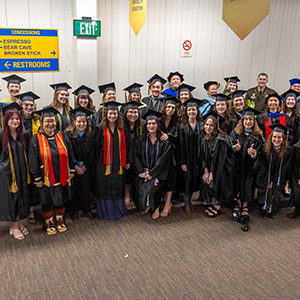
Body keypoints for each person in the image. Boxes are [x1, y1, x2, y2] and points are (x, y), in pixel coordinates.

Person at [29, 106, 75, 235]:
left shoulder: (62, 136)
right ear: (42, 122)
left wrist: (71, 170)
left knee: (60, 198)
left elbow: (70, 153)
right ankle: (48, 222)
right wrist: (37, 178)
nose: (50, 124)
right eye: (47, 121)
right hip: (45, 177)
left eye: (52, 121)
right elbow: (32, 160)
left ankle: (60, 220)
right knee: (47, 199)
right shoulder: (36, 139)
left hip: (62, 174)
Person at [93, 102, 132, 221]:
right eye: (110, 113)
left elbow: (129, 146)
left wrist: (129, 160)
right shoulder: (99, 128)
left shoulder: (123, 128)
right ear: (106, 114)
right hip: (103, 164)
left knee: (118, 185)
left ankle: (118, 209)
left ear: (118, 114)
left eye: (115, 113)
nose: (112, 116)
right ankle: (106, 211)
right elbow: (95, 147)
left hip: (119, 164)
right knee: (104, 186)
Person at [230, 107, 264, 231]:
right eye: (246, 119)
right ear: (242, 120)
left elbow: (260, 153)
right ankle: (238, 201)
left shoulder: (258, 136)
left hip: (250, 167)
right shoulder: (235, 133)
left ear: (254, 121)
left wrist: (254, 152)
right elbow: (229, 148)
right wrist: (235, 148)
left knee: (248, 183)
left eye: (251, 119)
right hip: (238, 165)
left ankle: (245, 204)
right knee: (237, 182)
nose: (248, 121)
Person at [0, 103, 30, 240]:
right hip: (7, 175)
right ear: (6, 120)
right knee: (12, 198)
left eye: (17, 118)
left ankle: (18, 223)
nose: (15, 121)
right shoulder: (1, 137)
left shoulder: (23, 135)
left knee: (21, 197)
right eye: (11, 118)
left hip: (22, 172)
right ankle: (14, 226)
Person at [134, 109, 171, 219]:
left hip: (158, 172)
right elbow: (136, 157)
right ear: (146, 125)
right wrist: (141, 171)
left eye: (154, 123)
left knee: (154, 188)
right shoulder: (140, 140)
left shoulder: (164, 141)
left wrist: (153, 173)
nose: (151, 126)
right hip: (144, 171)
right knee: (142, 187)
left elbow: (164, 160)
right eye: (149, 123)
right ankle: (147, 205)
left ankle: (156, 207)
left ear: (157, 124)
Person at [199, 111, 235, 217]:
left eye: (211, 125)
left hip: (221, 169)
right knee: (208, 181)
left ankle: (218, 205)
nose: (208, 127)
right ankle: (212, 202)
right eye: (206, 124)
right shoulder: (205, 138)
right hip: (211, 167)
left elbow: (219, 161)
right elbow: (202, 156)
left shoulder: (220, 141)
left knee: (216, 182)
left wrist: (211, 173)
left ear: (216, 126)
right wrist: (206, 170)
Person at [257, 124, 293, 218]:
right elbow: (262, 166)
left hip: (279, 177)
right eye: (274, 137)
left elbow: (284, 168)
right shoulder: (265, 149)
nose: (277, 140)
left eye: (279, 137)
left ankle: (273, 207)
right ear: (270, 137)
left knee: (276, 191)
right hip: (265, 176)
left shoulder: (288, 151)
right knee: (267, 190)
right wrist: (269, 180)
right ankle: (265, 207)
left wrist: (275, 179)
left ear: (283, 139)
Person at [67, 107, 95, 221]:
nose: (82, 124)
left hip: (86, 167)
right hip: (74, 167)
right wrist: (75, 166)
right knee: (74, 189)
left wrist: (85, 166)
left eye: (84, 121)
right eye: (79, 121)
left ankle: (87, 210)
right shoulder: (68, 134)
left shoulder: (90, 134)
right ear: (74, 122)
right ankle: (74, 211)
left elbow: (93, 151)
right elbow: (68, 152)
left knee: (86, 188)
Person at [18, 91, 41, 224]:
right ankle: (30, 210)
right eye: (26, 104)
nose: (29, 107)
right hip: (22, 155)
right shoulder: (17, 119)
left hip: (36, 155)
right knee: (26, 183)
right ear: (21, 105)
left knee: (36, 181)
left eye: (31, 105)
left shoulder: (37, 119)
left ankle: (37, 207)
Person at [178, 98, 202, 214]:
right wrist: (182, 162)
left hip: (197, 159)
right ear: (186, 111)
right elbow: (180, 146)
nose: (191, 112)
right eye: (189, 110)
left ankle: (190, 201)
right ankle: (186, 202)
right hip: (187, 159)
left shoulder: (201, 125)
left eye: (193, 109)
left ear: (197, 111)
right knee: (187, 180)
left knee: (194, 180)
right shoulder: (182, 126)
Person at [158, 96, 180, 217]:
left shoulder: (178, 122)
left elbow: (178, 139)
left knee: (171, 178)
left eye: (173, 107)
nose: (170, 109)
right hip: (160, 155)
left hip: (172, 156)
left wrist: (169, 136)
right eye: (168, 107)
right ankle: (161, 200)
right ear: (164, 107)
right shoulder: (158, 120)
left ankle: (167, 202)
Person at [122, 101, 145, 210]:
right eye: (130, 111)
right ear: (126, 113)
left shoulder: (142, 126)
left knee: (136, 176)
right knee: (127, 176)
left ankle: (135, 197)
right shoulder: (121, 127)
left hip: (139, 155)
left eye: (135, 112)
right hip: (126, 155)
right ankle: (127, 196)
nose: (133, 114)